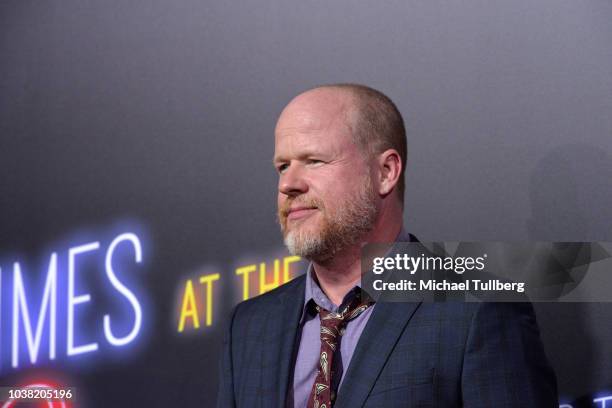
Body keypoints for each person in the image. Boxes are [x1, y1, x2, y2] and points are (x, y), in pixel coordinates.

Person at [216, 83, 558, 407]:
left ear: (385, 172)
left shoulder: (477, 308)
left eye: (314, 161)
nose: (288, 184)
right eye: (282, 166)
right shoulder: (249, 325)